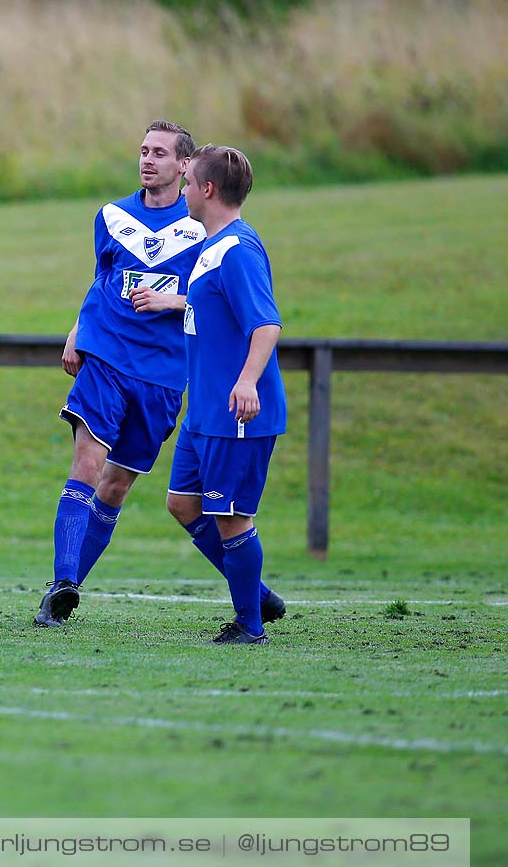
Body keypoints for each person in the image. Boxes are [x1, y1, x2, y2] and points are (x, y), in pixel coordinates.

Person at [36, 121, 212, 626]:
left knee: (114, 489)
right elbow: (103, 279)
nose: (147, 159)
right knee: (85, 471)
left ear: (185, 166)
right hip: (107, 360)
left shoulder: (203, 228)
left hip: (162, 376)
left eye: (159, 152)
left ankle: (65, 587)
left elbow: (216, 303)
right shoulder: (112, 216)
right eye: (143, 150)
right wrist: (77, 330)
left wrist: (169, 300)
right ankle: (62, 585)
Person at [163, 145, 288, 645]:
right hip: (205, 411)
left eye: (189, 180)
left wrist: (247, 381)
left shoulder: (238, 250)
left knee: (232, 517)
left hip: (236, 410)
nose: (184, 188)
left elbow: (266, 323)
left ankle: (249, 624)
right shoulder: (213, 246)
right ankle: (255, 592)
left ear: (207, 190)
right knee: (182, 504)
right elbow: (208, 308)